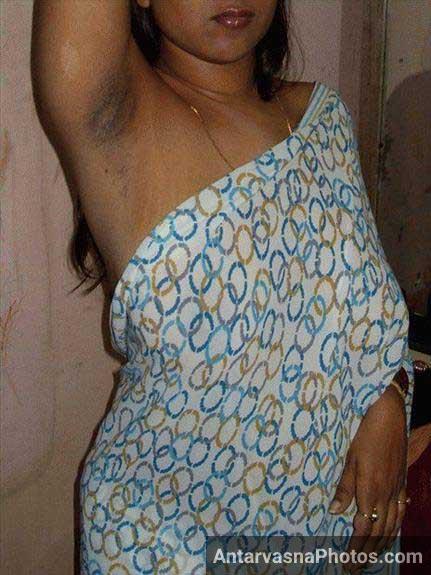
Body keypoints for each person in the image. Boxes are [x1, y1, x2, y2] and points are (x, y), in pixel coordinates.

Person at [30, 1, 414, 573]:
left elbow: (361, 311)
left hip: (331, 543)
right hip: (171, 547)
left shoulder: (321, 119)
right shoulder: (118, 119)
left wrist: (389, 396)